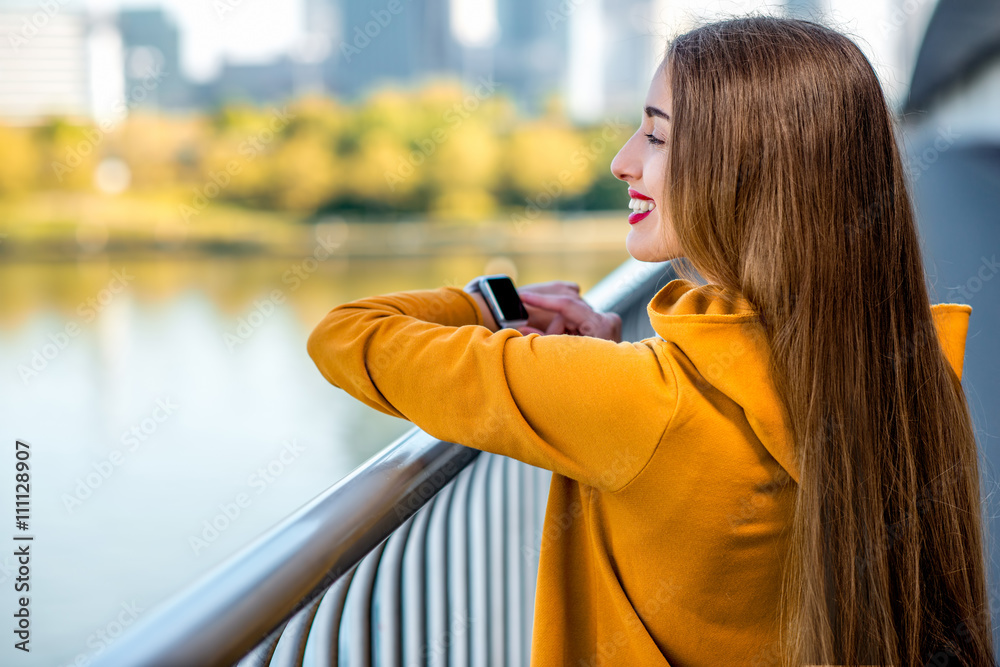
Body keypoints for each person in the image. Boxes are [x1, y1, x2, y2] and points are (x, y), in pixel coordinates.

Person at [306, 15, 996, 667]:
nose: (621, 161)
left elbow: (346, 336)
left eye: (657, 137)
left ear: (747, 167)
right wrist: (610, 359)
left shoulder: (644, 402)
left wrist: (486, 304)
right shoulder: (906, 369)